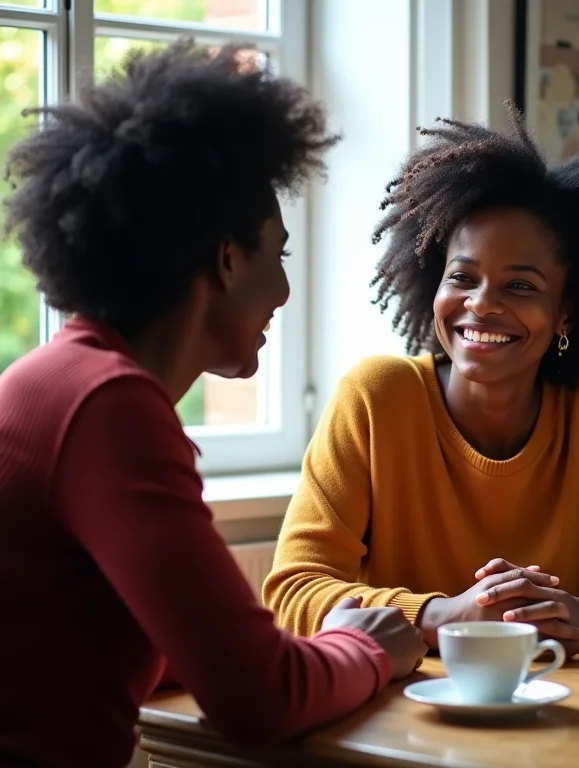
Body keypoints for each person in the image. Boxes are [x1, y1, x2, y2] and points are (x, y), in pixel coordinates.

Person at [0, 40, 425, 768]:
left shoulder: (60, 381)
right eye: (278, 255)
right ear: (227, 260)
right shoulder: (109, 408)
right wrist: (368, 647)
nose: (285, 292)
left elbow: (108, 641)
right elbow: (260, 699)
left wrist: (304, 651)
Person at [263, 101, 579, 653]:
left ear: (565, 313)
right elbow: (293, 592)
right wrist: (446, 614)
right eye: (463, 277)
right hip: (405, 713)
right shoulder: (376, 398)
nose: (482, 306)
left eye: (520, 286)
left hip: (573, 712)